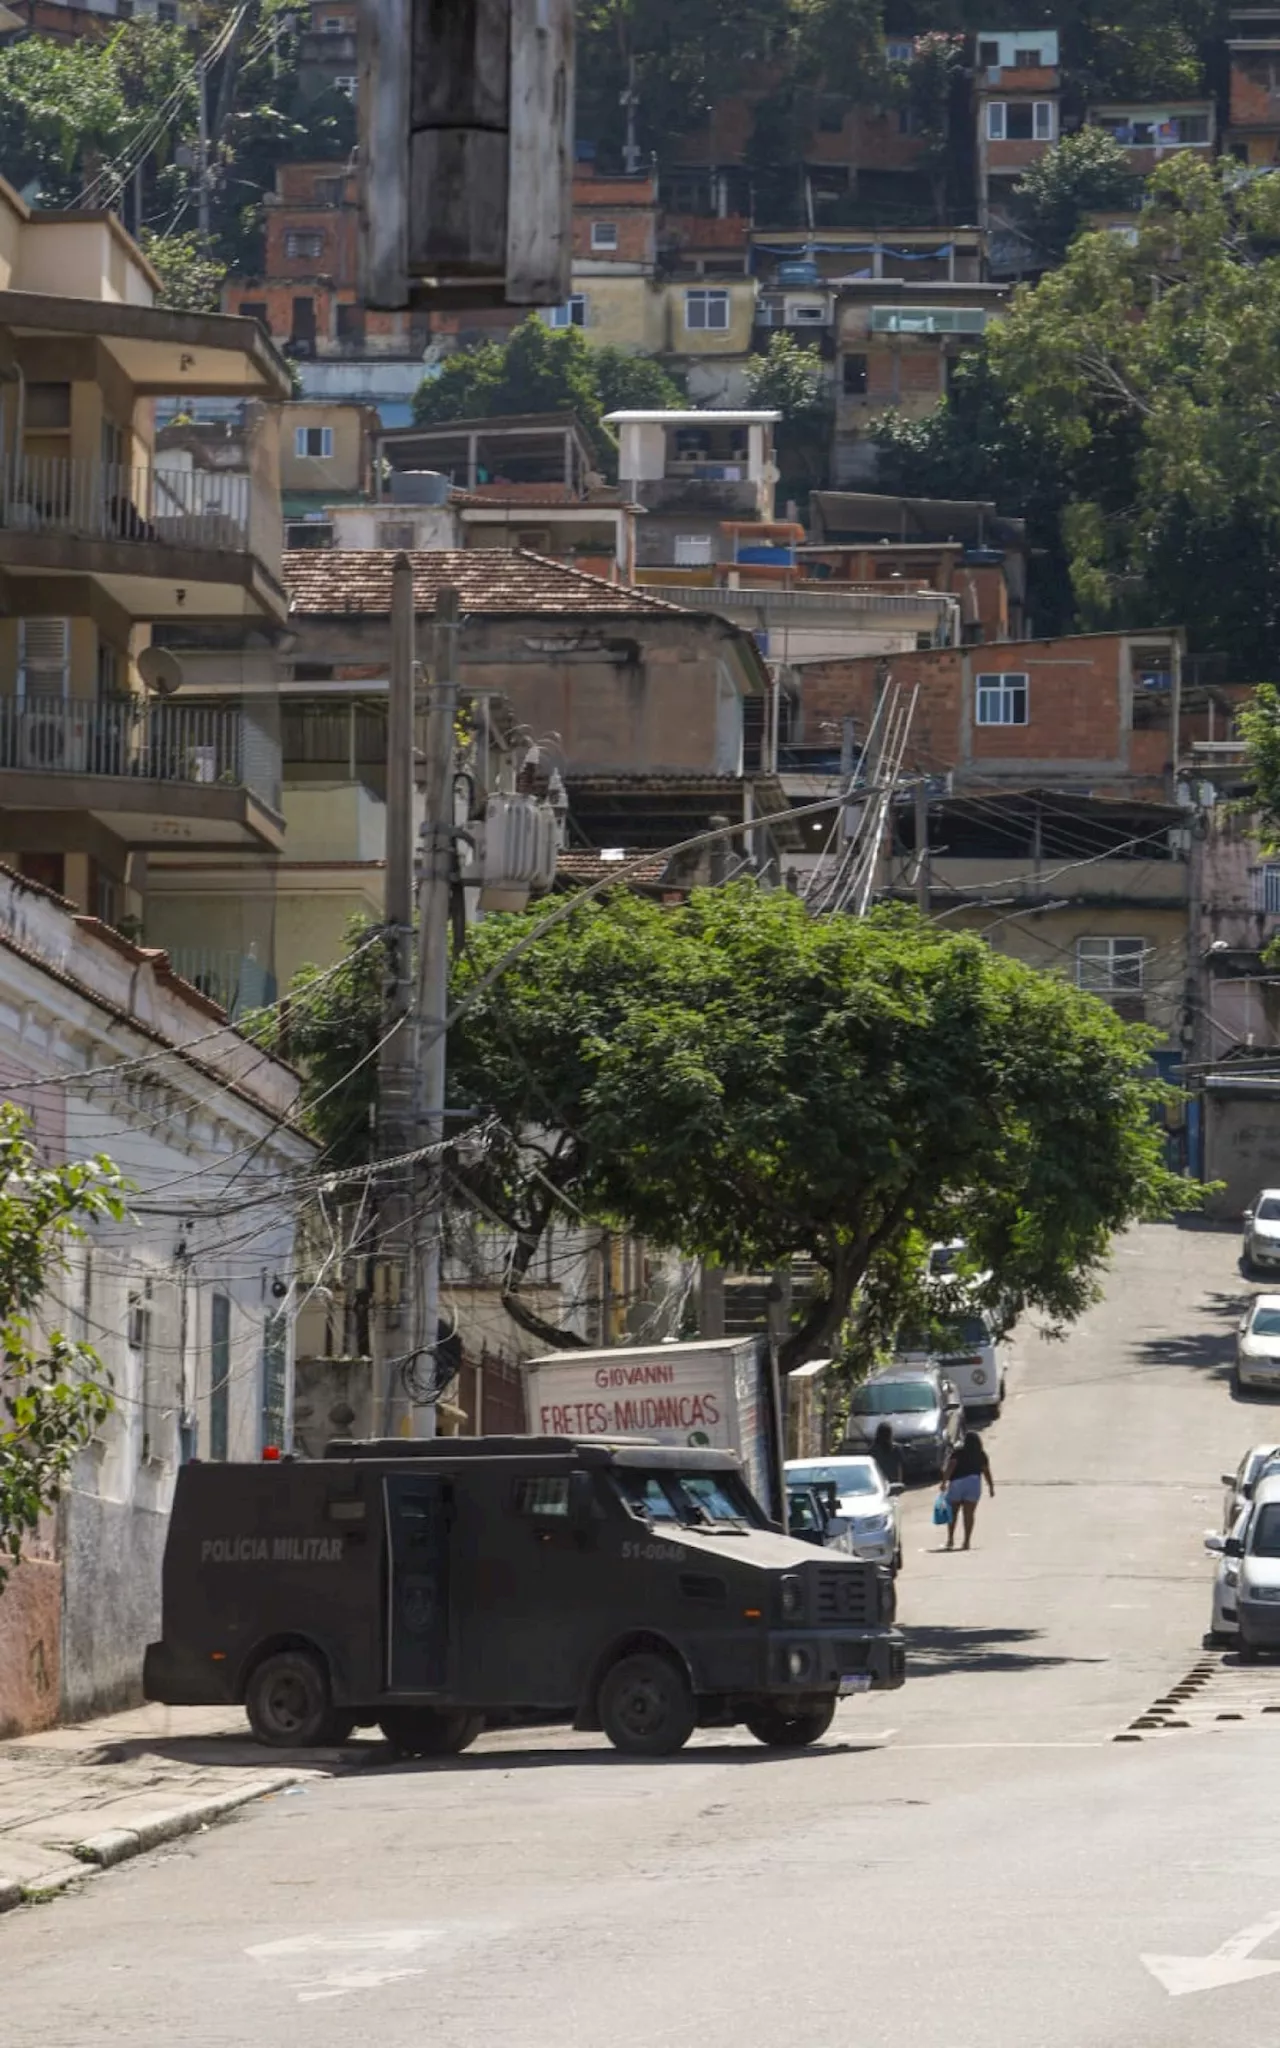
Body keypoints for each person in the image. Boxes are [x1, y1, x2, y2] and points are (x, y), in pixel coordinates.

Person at [943, 1430, 994, 1551]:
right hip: (974, 1482)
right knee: (969, 1514)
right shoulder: (981, 1454)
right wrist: (991, 1487)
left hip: (957, 1483)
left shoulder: (958, 1453)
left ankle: (950, 1539)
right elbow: (986, 1471)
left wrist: (944, 1482)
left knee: (953, 1513)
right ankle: (966, 1541)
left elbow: (951, 1466)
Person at [871, 1422, 904, 1489]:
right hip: (893, 1483)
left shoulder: (873, 1449)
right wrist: (899, 1482)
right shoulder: (895, 1448)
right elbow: (899, 1467)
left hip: (879, 1482)